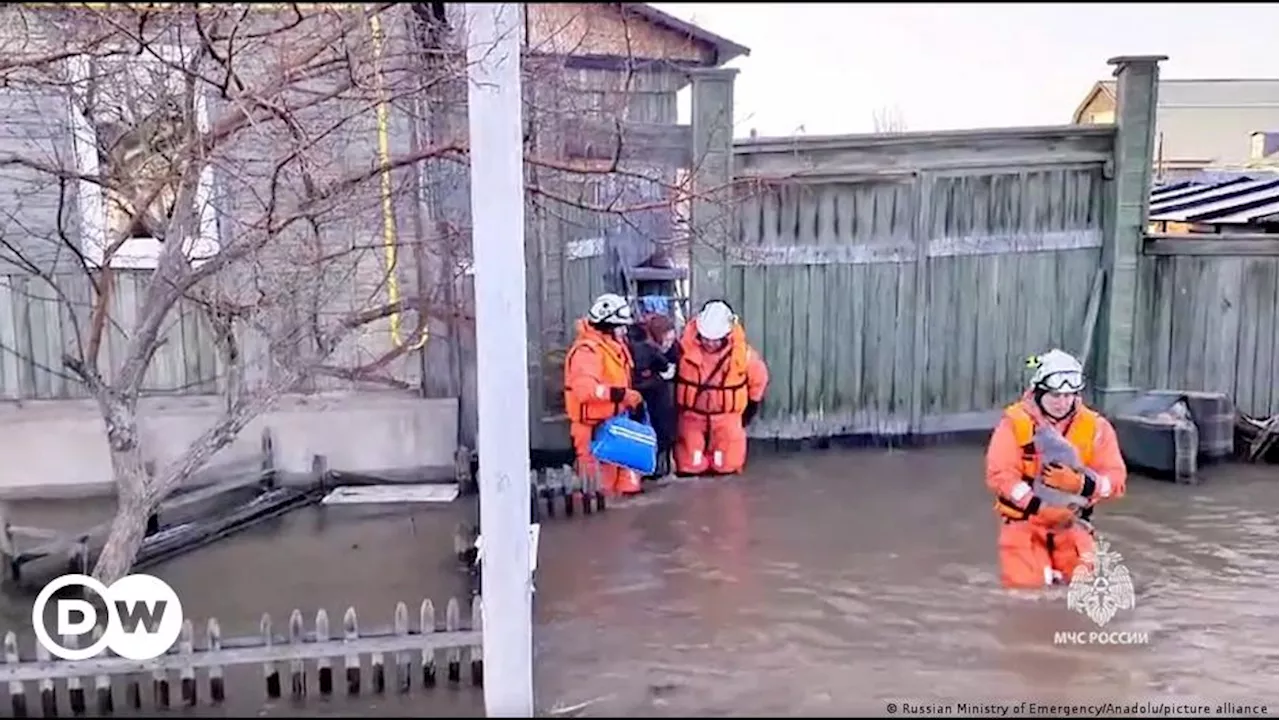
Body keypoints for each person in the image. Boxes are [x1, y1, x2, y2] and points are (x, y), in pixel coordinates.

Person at [984, 349, 1128, 589]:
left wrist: (1083, 485)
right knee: (1026, 593)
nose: (1062, 403)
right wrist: (1040, 507)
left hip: (1072, 524)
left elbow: (1115, 480)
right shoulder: (1015, 424)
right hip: (1024, 523)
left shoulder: (1097, 428)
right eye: (1055, 395)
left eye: (1068, 395)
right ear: (1039, 392)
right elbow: (1001, 476)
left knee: (1088, 589)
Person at [673, 299, 769, 476]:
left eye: (715, 340)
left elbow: (758, 379)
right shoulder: (682, 351)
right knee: (689, 468)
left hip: (727, 420)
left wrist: (751, 408)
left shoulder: (743, 356)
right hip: (691, 418)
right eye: (706, 338)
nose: (710, 343)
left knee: (727, 469)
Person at [563, 293, 645, 497]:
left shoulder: (611, 348)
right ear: (608, 326)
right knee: (598, 491)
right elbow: (585, 390)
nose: (624, 331)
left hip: (615, 424)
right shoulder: (587, 352)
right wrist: (622, 395)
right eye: (620, 326)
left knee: (626, 487)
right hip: (593, 430)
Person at [628, 313, 679, 482]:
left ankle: (660, 464)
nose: (669, 345)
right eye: (667, 340)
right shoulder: (640, 349)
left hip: (660, 397)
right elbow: (635, 380)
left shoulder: (670, 349)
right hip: (643, 398)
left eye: (672, 340)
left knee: (663, 427)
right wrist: (659, 378)